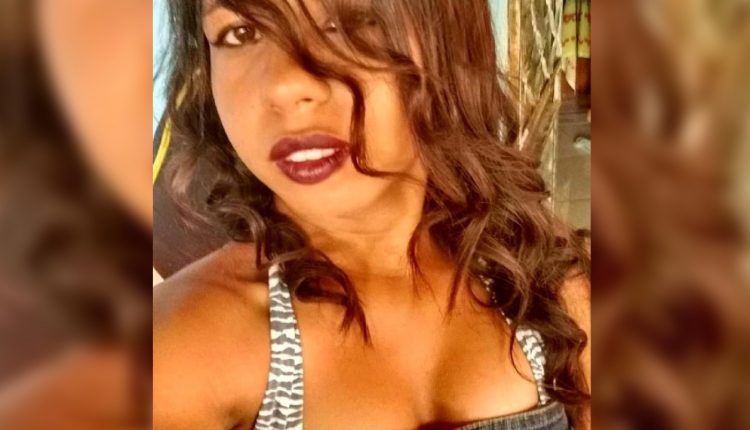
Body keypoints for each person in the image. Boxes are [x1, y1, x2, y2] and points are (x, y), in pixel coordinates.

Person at [153, 0, 591, 429]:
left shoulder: (539, 281)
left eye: (354, 19)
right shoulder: (180, 350)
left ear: (449, 37)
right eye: (241, 32)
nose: (285, 84)